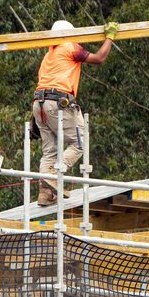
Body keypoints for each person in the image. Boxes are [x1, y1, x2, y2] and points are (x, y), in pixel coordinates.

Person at [32, 20, 119, 206]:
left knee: (49, 151)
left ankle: (45, 193)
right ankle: (53, 175)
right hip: (58, 102)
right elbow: (99, 58)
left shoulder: (48, 55)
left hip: (38, 104)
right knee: (80, 143)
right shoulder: (69, 46)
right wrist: (109, 37)